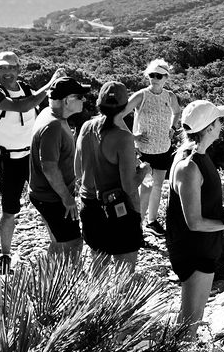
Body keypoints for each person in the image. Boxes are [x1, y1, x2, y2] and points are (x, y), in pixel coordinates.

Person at [0, 51, 66, 272]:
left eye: (11, 67)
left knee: (48, 204)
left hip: (32, 157)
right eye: (2, 68)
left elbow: (37, 105)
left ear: (18, 69)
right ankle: (5, 254)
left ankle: (57, 246)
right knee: (9, 210)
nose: (7, 72)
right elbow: (22, 106)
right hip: (9, 160)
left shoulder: (25, 89)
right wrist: (50, 83)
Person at [166, 100, 224, 340]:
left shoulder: (198, 156)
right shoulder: (188, 166)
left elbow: (202, 201)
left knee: (193, 318)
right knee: (190, 320)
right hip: (193, 249)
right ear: (209, 128)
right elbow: (194, 222)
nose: (222, 124)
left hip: (203, 247)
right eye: (219, 120)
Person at [76, 81, 146, 270]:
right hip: (119, 210)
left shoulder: (86, 128)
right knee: (124, 275)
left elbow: (77, 170)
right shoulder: (123, 137)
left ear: (99, 103)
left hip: (90, 205)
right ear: (125, 108)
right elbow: (129, 187)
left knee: (98, 271)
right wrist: (144, 171)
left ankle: (95, 301)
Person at [29, 76, 90, 258]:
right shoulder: (53, 126)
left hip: (49, 194)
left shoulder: (48, 113)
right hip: (53, 197)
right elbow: (48, 167)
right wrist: (66, 197)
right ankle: (59, 283)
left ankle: (51, 280)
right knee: (71, 244)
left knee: (60, 241)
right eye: (79, 96)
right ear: (66, 100)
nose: (84, 100)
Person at [119, 58, 181, 235]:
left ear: (166, 77)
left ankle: (152, 222)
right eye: (151, 75)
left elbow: (177, 112)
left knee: (158, 186)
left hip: (163, 148)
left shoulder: (170, 96)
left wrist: (173, 128)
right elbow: (119, 115)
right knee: (145, 189)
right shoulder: (141, 95)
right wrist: (132, 136)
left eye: (158, 75)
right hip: (143, 151)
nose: (154, 78)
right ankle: (136, 226)